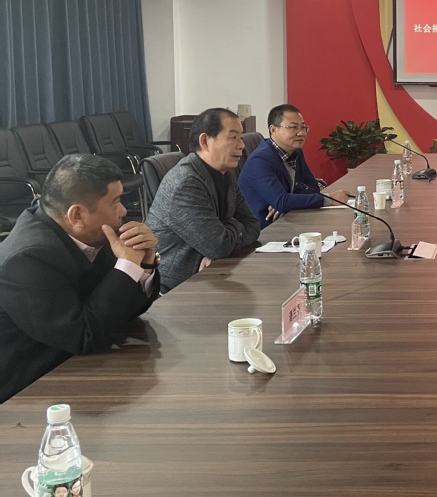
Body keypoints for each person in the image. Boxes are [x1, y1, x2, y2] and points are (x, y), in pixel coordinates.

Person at [0, 154, 159, 402]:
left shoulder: (90, 232)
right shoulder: (26, 260)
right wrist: (128, 266)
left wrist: (145, 263)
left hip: (85, 363)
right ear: (77, 216)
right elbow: (82, 335)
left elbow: (124, 309)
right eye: (116, 202)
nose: (124, 211)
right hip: (33, 390)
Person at [146, 108, 261, 292]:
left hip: (212, 272)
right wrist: (231, 230)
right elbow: (218, 245)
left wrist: (224, 233)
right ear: (205, 141)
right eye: (233, 137)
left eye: (241, 138)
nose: (241, 145)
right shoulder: (186, 182)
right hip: (176, 288)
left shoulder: (225, 174)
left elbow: (253, 225)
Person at [239, 104, 350, 229]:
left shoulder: (295, 152)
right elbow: (282, 202)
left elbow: (312, 188)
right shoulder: (260, 161)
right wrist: (329, 199)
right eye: (293, 127)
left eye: (303, 127)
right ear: (273, 130)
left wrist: (289, 203)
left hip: (288, 221)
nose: (301, 133)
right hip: (265, 230)